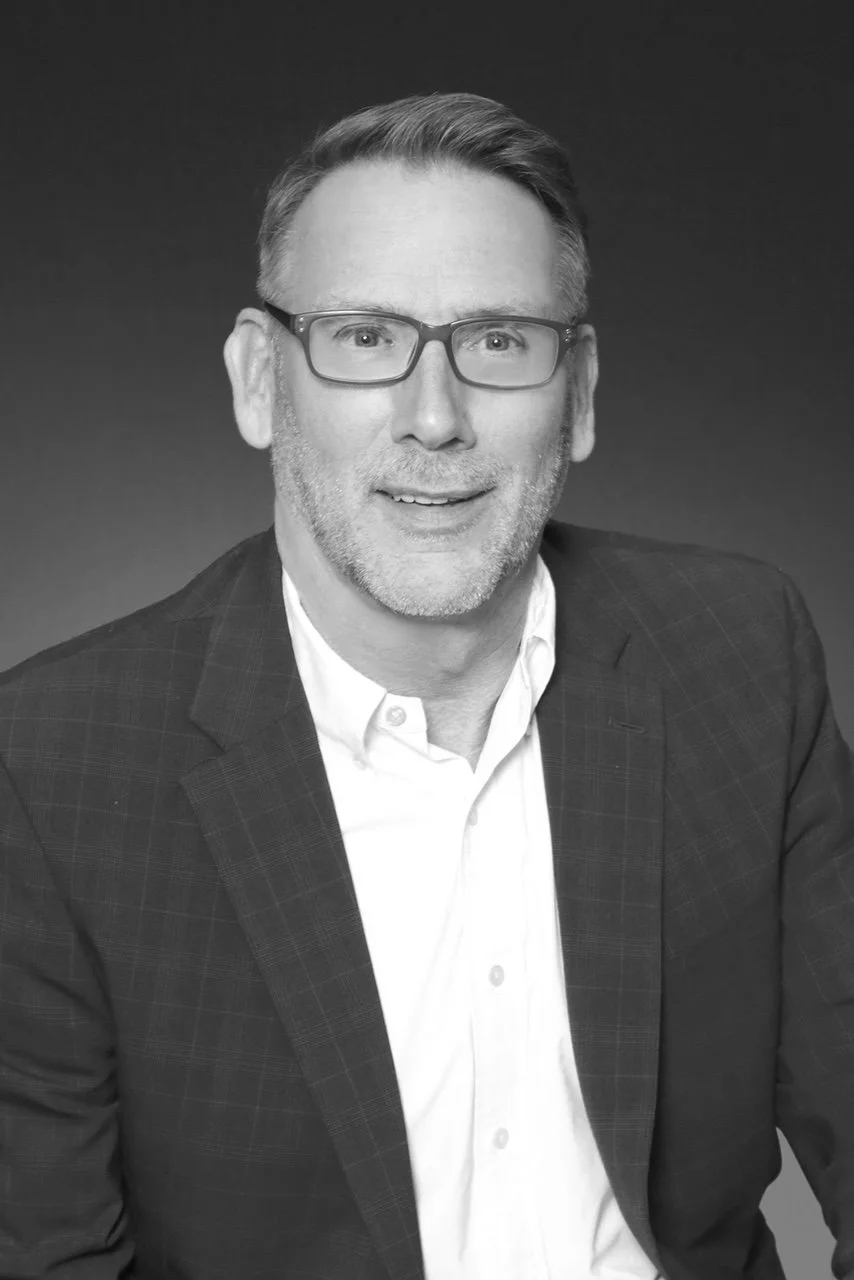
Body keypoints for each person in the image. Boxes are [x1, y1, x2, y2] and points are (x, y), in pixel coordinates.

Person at [0, 90, 852, 1280]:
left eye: (498, 340)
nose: (434, 416)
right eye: (364, 338)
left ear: (578, 391)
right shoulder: (49, 767)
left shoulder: (739, 653)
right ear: (259, 381)